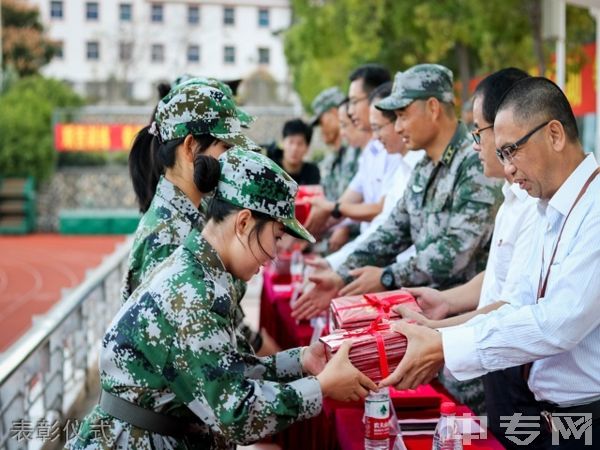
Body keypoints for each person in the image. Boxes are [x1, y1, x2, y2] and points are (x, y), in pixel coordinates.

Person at [67, 148, 377, 450]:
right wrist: (321, 388)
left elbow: (224, 369)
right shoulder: (193, 294)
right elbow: (237, 415)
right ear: (243, 223)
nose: (274, 254)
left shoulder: (203, 273)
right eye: (277, 236)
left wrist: (300, 361)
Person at [382, 77, 600, 448]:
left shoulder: (593, 210)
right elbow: (515, 303)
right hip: (543, 413)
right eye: (501, 155)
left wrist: (445, 346)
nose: (509, 168)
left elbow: (560, 323)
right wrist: (441, 334)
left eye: (512, 150)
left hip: (584, 420)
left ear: (554, 135)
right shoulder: (550, 209)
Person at [293, 64, 503, 412]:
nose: (399, 126)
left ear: (433, 108)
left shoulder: (475, 164)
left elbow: (454, 251)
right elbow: (393, 229)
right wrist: (341, 275)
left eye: (403, 114)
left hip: (467, 339)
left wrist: (387, 277)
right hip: (423, 330)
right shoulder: (424, 167)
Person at [394, 67, 544, 448]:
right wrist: (446, 302)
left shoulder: (537, 204)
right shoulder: (514, 199)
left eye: (480, 131)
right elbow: (497, 278)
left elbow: (514, 306)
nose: (476, 143)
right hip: (500, 366)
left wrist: (440, 336)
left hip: (532, 384)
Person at [125, 81, 274, 355]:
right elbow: (193, 363)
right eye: (225, 148)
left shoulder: (193, 215)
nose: (232, 161)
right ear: (191, 147)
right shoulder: (168, 240)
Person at [313, 81, 424, 270]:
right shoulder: (393, 161)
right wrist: (336, 263)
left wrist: (338, 265)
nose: (375, 137)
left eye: (355, 101)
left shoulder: (410, 162)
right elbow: (384, 225)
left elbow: (382, 217)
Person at [304, 64, 402, 236]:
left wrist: (332, 209)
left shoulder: (395, 149)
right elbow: (345, 203)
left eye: (354, 102)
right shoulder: (371, 151)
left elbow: (381, 210)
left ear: (375, 98)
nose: (350, 110)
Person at [311, 87, 361, 202]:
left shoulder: (357, 149)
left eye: (321, 121)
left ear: (334, 113)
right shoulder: (333, 158)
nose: (321, 128)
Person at [270, 119, 321, 185]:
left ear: (307, 148)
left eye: (300, 143)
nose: (294, 148)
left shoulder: (312, 172)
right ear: (283, 143)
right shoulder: (272, 169)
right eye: (291, 142)